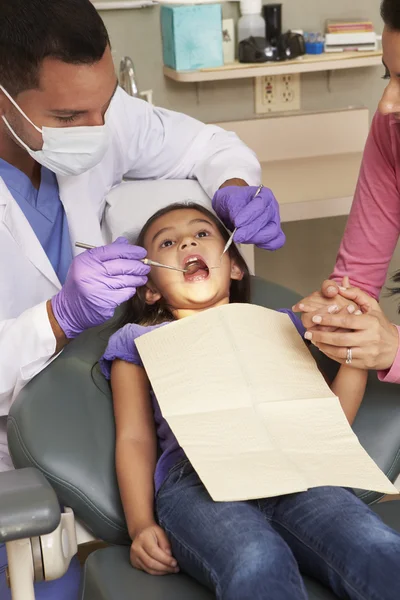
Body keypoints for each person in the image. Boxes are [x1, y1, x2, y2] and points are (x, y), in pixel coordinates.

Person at [100, 202, 400, 600]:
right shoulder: (137, 341)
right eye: (168, 242)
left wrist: (352, 349)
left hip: (299, 469)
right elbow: (135, 438)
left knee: (377, 551)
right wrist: (140, 525)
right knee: (259, 560)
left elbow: (326, 422)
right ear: (151, 288)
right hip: (197, 482)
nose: (187, 240)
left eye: (203, 233)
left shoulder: (285, 325)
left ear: (236, 266)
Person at [294, 0, 400, 382]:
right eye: (387, 76)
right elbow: (356, 284)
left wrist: (395, 350)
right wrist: (342, 305)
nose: (387, 103)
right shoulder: (392, 131)